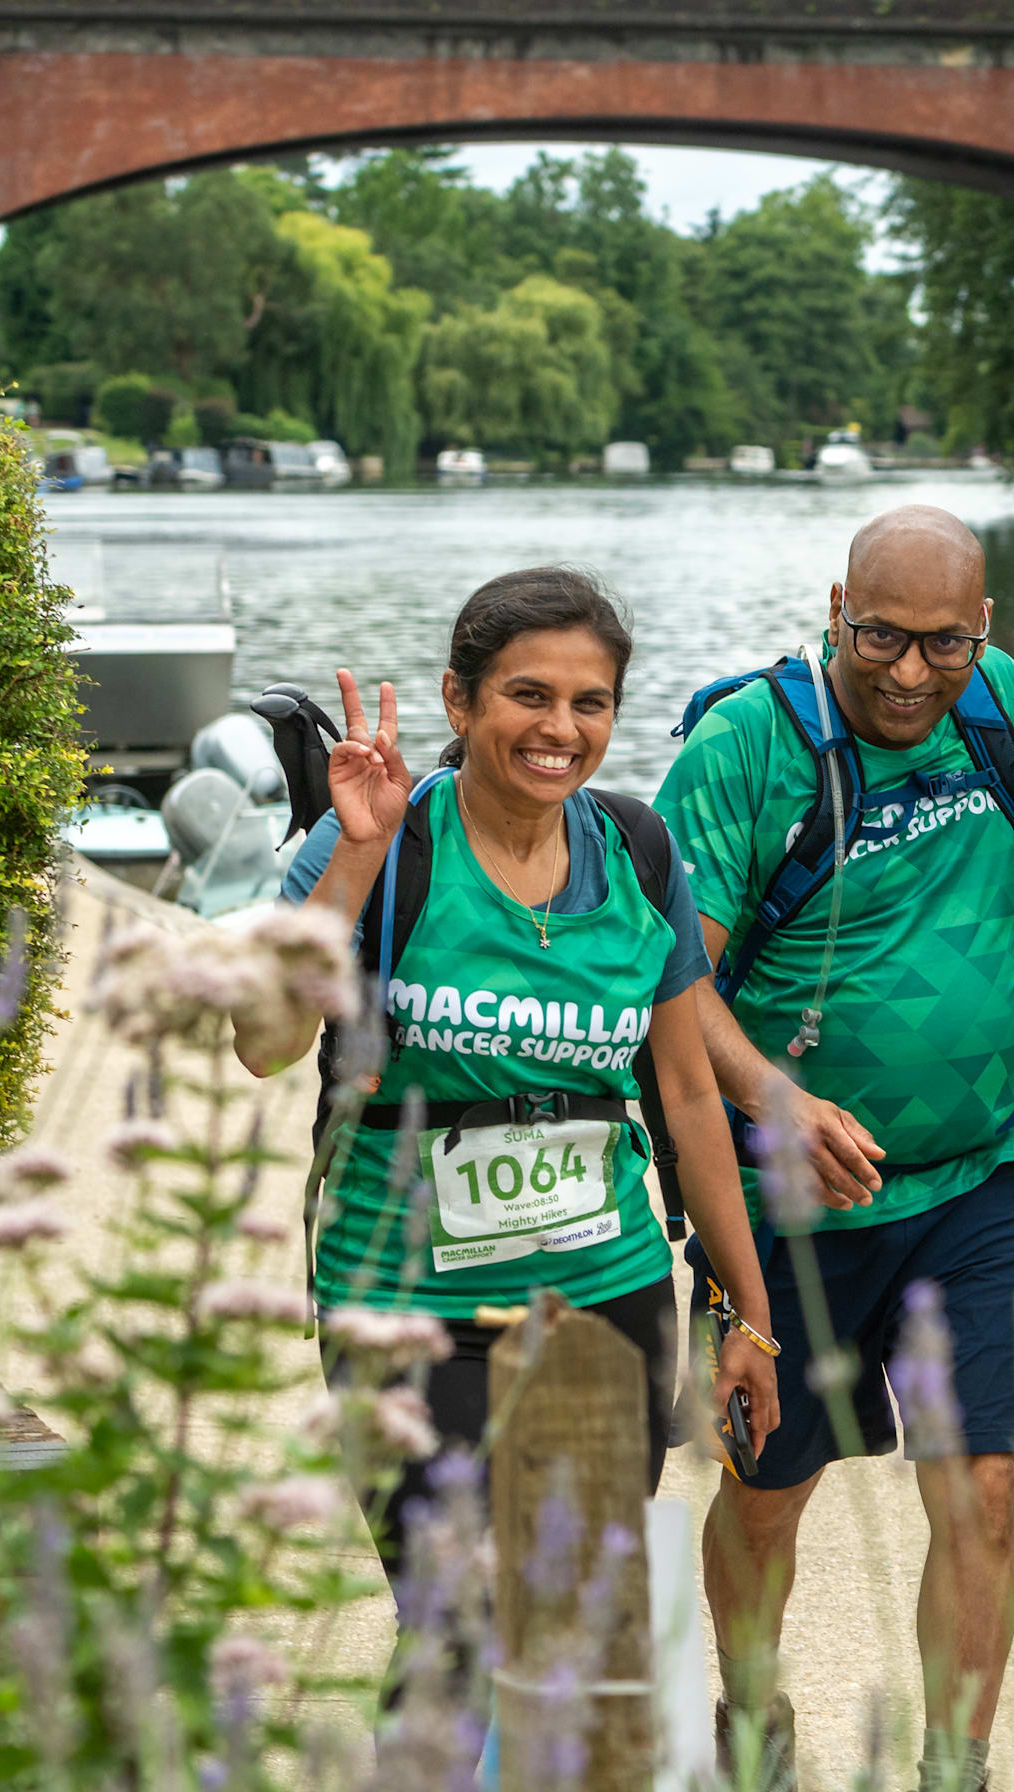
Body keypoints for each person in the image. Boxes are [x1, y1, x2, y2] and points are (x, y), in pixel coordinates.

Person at [653, 504, 1014, 1792]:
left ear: (987, 631)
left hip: (982, 1180)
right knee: (769, 1499)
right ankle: (754, 1762)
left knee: (985, 1493)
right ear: (835, 606)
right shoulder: (746, 751)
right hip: (789, 1203)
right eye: (878, 635)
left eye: (943, 642)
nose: (907, 673)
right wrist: (776, 1099)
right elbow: (672, 987)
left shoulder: (1001, 713)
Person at [230, 568, 781, 1688]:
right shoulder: (382, 843)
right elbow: (265, 1041)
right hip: (404, 1299)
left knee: (575, 1616)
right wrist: (356, 851)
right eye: (528, 696)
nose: (560, 729)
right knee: (460, 1620)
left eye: (591, 704)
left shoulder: (637, 854)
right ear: (460, 699)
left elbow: (685, 1095)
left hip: (602, 1291)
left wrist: (751, 1315)